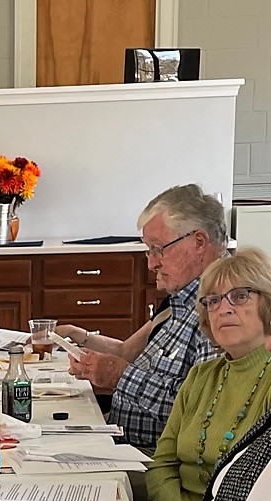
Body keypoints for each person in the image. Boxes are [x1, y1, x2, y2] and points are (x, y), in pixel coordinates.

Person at [59, 184, 226, 447]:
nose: (152, 263)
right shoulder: (180, 302)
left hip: (152, 458)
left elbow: (201, 413)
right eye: (149, 250)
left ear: (199, 242)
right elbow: (128, 352)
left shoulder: (221, 309)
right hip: (122, 441)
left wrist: (120, 376)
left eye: (159, 249)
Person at [142, 248, 271, 501]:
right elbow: (162, 463)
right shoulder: (200, 376)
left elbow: (262, 495)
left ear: (267, 303)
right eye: (212, 301)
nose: (223, 309)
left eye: (239, 296)